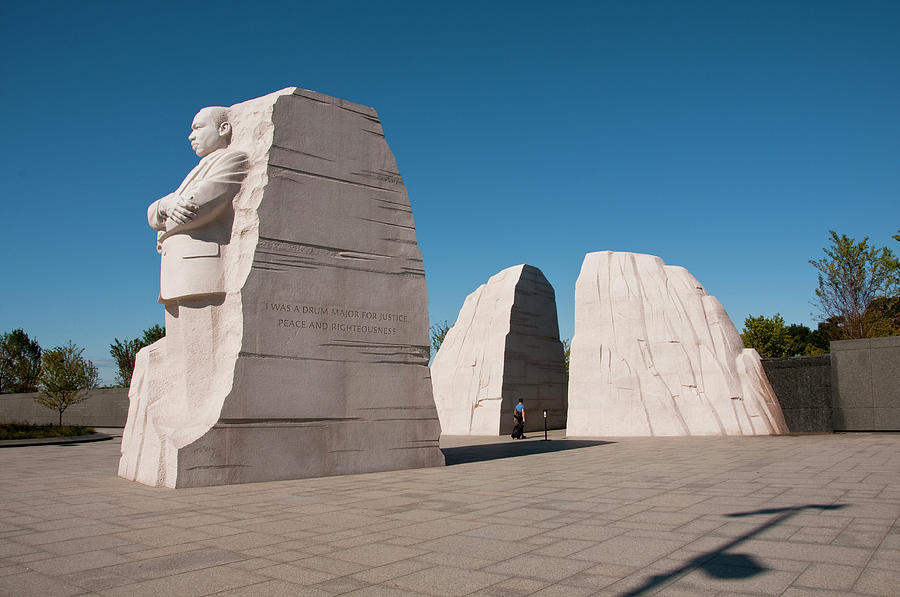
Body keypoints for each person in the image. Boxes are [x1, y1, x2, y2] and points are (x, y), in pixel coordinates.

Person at [147, 106, 249, 303]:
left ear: (224, 128)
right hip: (176, 271)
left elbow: (195, 209)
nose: (191, 137)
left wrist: (162, 229)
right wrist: (165, 205)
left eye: (198, 128)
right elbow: (153, 212)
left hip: (199, 270)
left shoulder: (232, 159)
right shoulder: (199, 168)